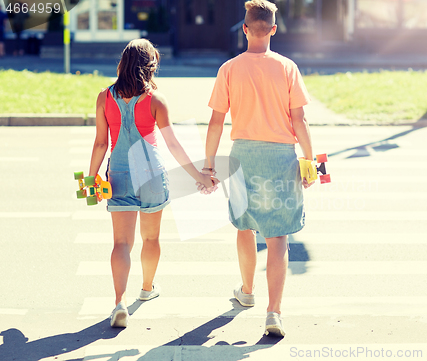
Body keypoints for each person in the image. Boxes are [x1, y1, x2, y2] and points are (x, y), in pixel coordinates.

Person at [202, 0, 314, 337]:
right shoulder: (287, 68)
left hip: (243, 157)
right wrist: (309, 163)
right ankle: (274, 312)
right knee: (278, 234)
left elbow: (216, 122)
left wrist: (209, 165)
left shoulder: (230, 69)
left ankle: (247, 291)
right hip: (281, 157)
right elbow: (300, 119)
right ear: (274, 30)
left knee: (244, 226)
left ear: (245, 29)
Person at [88, 39, 214, 328]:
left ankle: (119, 303)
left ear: (123, 64)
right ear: (150, 66)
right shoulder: (156, 100)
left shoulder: (104, 98)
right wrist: (200, 177)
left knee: (121, 242)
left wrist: (92, 177)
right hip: (151, 173)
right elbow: (172, 143)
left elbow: (99, 143)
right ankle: (146, 288)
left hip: (118, 173)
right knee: (152, 238)